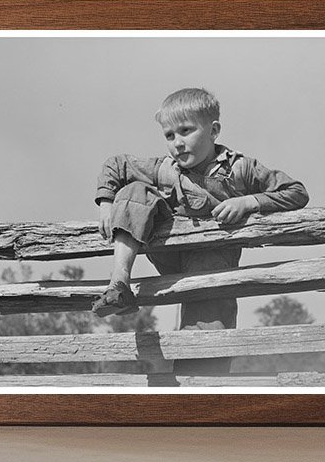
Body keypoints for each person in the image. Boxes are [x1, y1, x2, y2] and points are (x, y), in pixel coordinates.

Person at [92, 87, 309, 375]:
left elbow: (296, 192)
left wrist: (248, 201)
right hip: (168, 250)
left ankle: (200, 401)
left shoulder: (240, 169)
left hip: (211, 260)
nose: (177, 143)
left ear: (214, 130)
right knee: (133, 190)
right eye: (169, 135)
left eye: (186, 131)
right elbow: (116, 165)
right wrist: (106, 203)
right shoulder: (166, 169)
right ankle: (119, 284)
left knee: (206, 338)